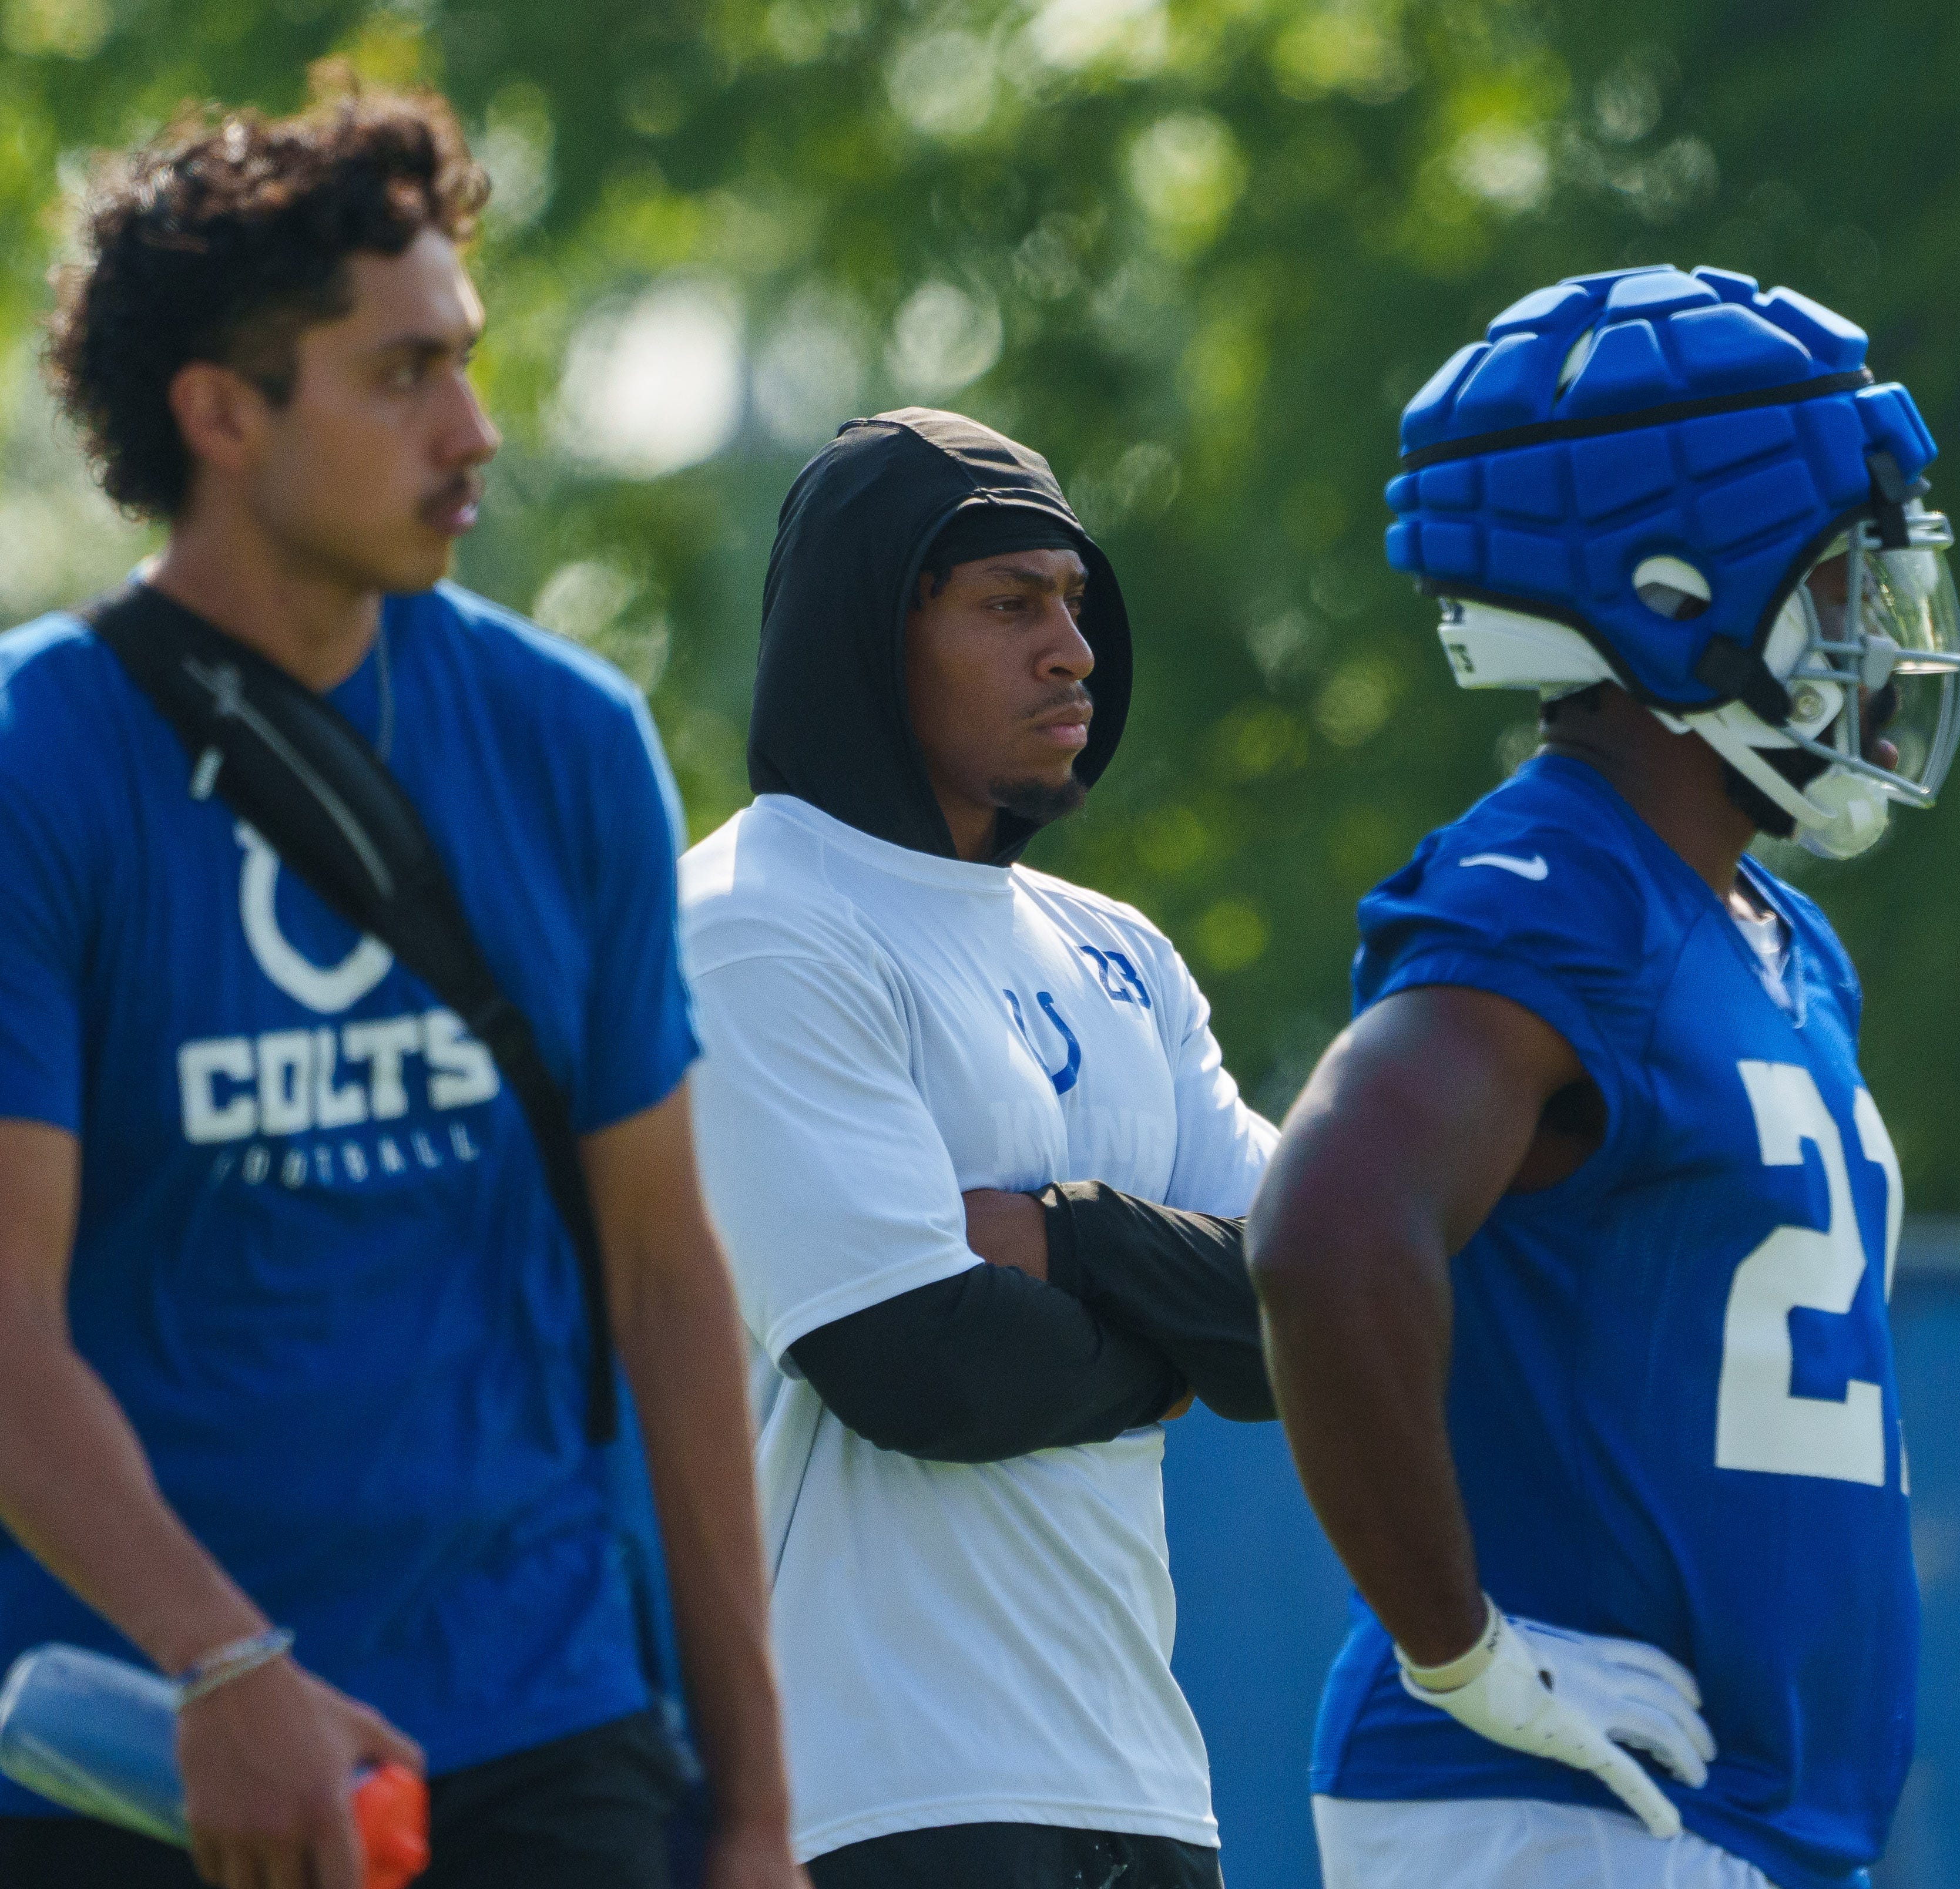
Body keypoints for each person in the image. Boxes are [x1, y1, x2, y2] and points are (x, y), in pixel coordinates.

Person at [0, 83, 801, 1889]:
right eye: (399, 375)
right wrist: (224, 1661)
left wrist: (756, 1815)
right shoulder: (34, 765)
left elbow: (672, 1291)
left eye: (468, 358)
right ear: (221, 412)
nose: (474, 427)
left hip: (544, 1736)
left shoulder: (572, 743)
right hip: (153, 1767)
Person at [1249, 264, 1960, 1889]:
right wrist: (1462, 1654)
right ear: (1675, 589)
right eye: (1845, 586)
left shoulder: (1767, 931)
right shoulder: (1561, 889)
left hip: (1714, 1804)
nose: (1882, 638)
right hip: (1559, 1801)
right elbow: (1325, 1232)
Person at [679, 407, 1278, 1889]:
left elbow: (1309, 1324)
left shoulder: (1122, 951)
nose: (1073, 650)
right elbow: (920, 1366)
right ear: (871, 636)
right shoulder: (758, 920)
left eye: (1073, 604)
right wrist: (1173, 1352)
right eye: (1011, 606)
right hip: (872, 1793)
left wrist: (1073, 1239)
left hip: (1145, 1782)